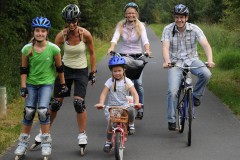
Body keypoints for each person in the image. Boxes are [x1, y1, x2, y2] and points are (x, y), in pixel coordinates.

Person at [32, 4, 96, 152]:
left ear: (78, 20)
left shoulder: (85, 34)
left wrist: (93, 72)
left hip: (81, 71)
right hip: (65, 71)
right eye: (68, 21)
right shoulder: (61, 35)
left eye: (74, 21)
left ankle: (82, 134)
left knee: (78, 103)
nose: (71, 24)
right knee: (55, 104)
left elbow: (92, 53)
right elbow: (53, 53)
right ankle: (44, 132)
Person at [14, 17, 67, 159]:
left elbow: (59, 68)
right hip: (31, 83)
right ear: (34, 32)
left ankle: (45, 142)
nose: (40, 34)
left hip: (46, 84)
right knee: (29, 111)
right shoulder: (27, 49)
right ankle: (22, 143)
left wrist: (62, 84)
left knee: (43, 111)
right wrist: (23, 86)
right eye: (37, 31)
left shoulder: (54, 49)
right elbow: (24, 69)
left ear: (47, 33)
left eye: (43, 31)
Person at [161, 4, 215, 131]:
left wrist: (210, 60)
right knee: (173, 91)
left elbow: (205, 45)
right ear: (174, 17)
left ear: (187, 17)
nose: (179, 20)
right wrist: (167, 61)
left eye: (182, 17)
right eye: (177, 17)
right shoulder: (168, 29)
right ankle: (172, 119)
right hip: (175, 63)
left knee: (206, 74)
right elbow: (165, 47)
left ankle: (195, 96)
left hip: (192, 60)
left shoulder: (194, 28)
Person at [108, 2, 151, 120]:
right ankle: (118, 106)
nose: (131, 15)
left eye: (133, 13)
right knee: (121, 82)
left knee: (138, 83)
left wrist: (147, 50)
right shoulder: (121, 25)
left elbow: (145, 39)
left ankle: (140, 106)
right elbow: (115, 38)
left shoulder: (140, 25)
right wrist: (111, 47)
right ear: (125, 14)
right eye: (128, 13)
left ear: (136, 14)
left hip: (137, 56)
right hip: (124, 57)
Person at [95, 56, 141, 153]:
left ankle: (131, 125)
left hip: (124, 105)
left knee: (132, 109)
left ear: (124, 70)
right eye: (115, 71)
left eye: (119, 70)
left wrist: (136, 102)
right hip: (112, 107)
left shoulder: (127, 81)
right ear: (111, 71)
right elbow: (103, 94)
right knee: (110, 125)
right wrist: (101, 103)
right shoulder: (109, 81)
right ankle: (108, 142)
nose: (117, 73)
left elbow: (135, 94)